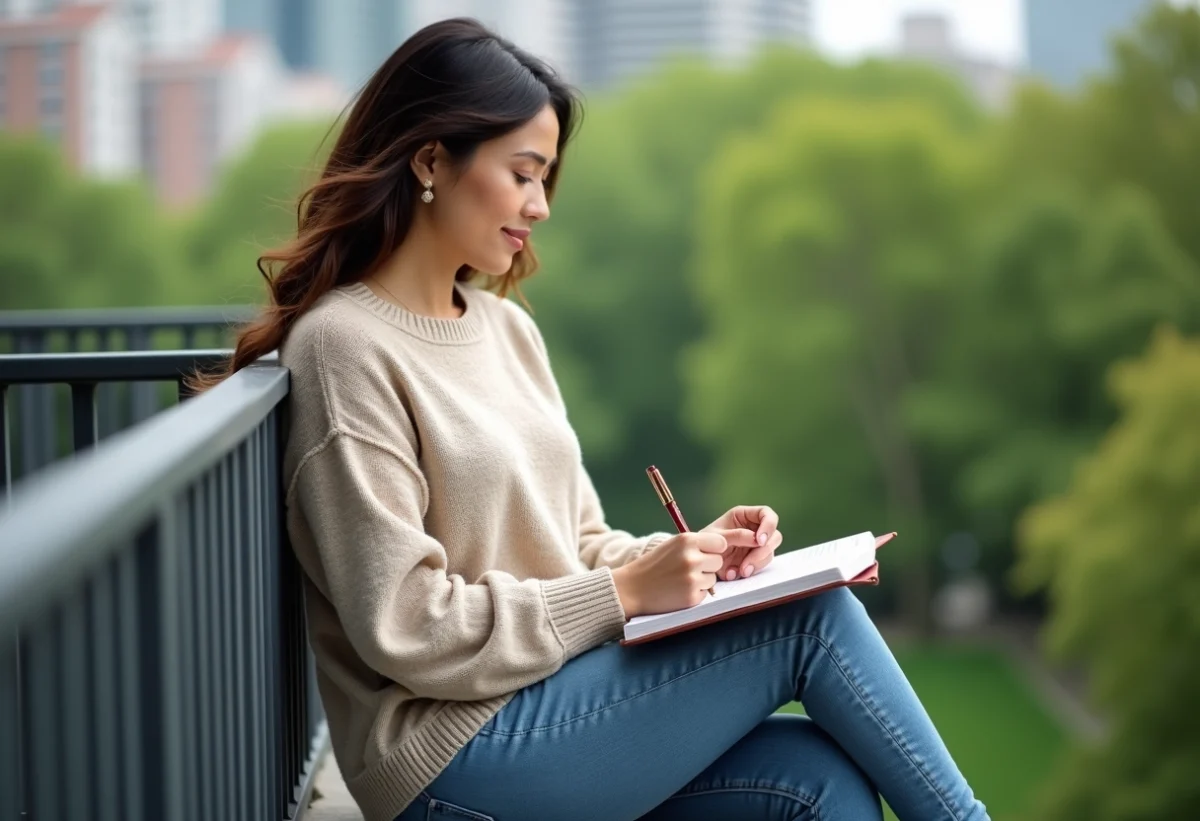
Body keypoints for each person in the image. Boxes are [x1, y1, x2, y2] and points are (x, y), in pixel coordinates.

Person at [209, 17, 991, 821]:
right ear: (431, 160)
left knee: (818, 780)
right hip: (449, 757)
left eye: (546, 179)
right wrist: (624, 592)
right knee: (812, 621)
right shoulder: (344, 345)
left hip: (556, 707)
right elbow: (406, 622)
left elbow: (578, 540)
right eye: (522, 174)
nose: (541, 206)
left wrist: (693, 559)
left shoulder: (505, 327)